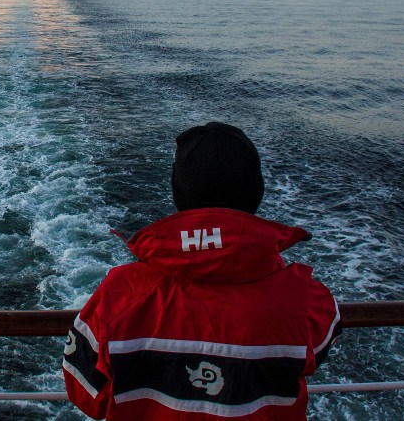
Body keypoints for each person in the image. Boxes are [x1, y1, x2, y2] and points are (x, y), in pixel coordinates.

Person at [63, 122, 342, 420]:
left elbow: (85, 396)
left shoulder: (120, 295)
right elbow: (315, 354)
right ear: (257, 192)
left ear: (177, 192)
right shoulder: (307, 299)